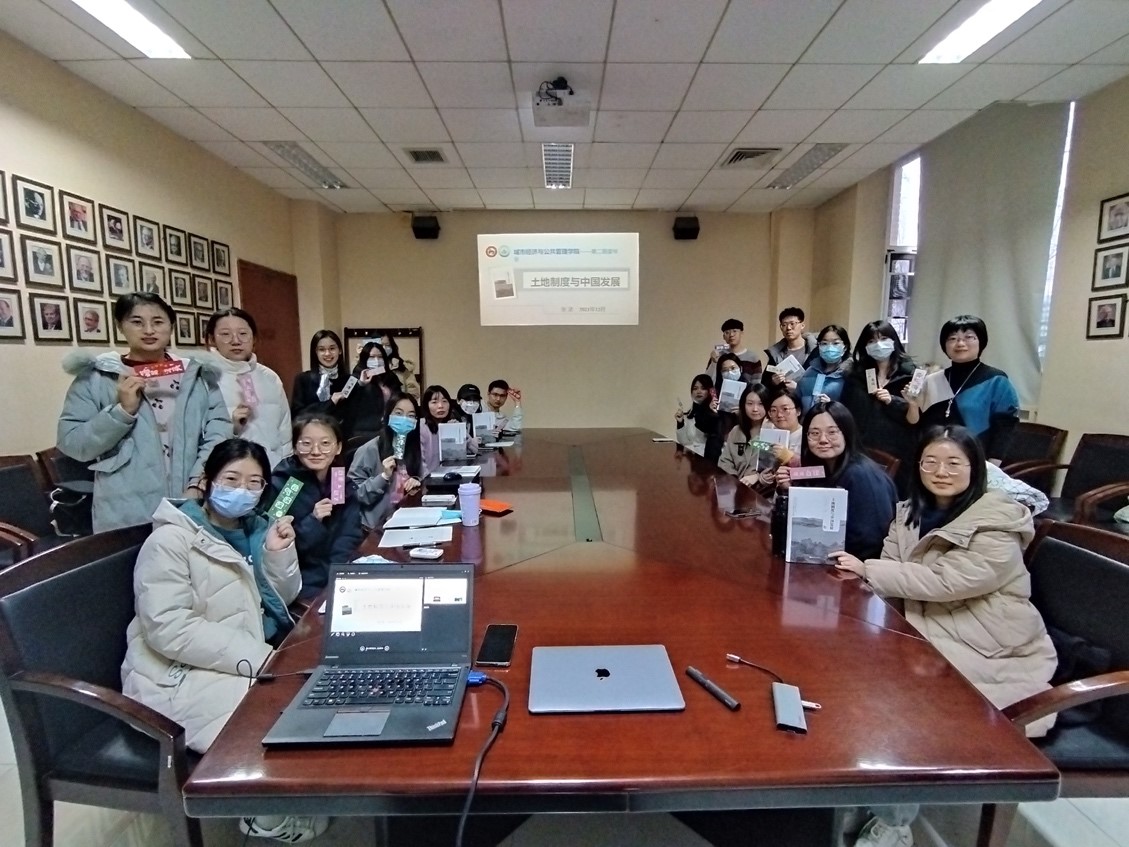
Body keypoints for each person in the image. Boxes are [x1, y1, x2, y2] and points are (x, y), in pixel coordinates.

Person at [832, 426, 1056, 847]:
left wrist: (868, 570)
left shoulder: (997, 521)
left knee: (903, 706)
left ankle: (895, 821)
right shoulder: (910, 511)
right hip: (922, 624)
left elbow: (948, 582)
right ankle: (863, 786)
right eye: (930, 462)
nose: (941, 471)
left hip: (984, 641)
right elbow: (894, 565)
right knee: (844, 673)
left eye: (954, 463)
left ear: (976, 468)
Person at [120, 439, 300, 751]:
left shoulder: (258, 529)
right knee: (273, 738)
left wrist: (277, 554)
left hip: (256, 655)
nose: (242, 490)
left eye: (254, 483)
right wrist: (262, 658)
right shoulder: (170, 540)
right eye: (231, 479)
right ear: (207, 481)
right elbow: (169, 627)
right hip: (184, 672)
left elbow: (282, 599)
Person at [57, 292, 231, 532]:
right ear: (120, 326)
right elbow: (72, 443)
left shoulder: (197, 375)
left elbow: (219, 433)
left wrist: (198, 483)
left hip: (191, 503)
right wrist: (122, 412)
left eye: (158, 322)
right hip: (124, 510)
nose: (149, 330)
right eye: (137, 322)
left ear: (171, 326)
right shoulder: (97, 377)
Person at [777, 401, 897, 560]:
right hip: (822, 556)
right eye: (814, 433)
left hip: (855, 565)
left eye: (832, 432)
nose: (823, 440)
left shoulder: (860, 475)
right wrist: (788, 490)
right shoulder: (822, 466)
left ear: (847, 433)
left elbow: (871, 541)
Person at [269, 413, 363, 599]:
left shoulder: (337, 479)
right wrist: (313, 520)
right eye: (306, 443)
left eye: (325, 443)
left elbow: (349, 532)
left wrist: (338, 573)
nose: (316, 451)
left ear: (338, 447)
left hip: (335, 572)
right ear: (295, 447)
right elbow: (276, 546)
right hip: (300, 580)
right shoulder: (287, 486)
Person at [904, 315, 1019, 464]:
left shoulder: (996, 380)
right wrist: (912, 405)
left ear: (981, 342)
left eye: (969, 337)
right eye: (952, 338)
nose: (960, 343)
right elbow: (915, 424)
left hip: (975, 459)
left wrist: (992, 465)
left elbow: (1005, 427)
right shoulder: (932, 380)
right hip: (932, 458)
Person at [205, 308, 292, 469]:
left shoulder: (270, 377)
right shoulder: (204, 379)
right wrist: (231, 427)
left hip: (272, 471)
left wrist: (286, 472)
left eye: (243, 334)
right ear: (212, 339)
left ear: (254, 338)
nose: (236, 341)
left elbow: (285, 432)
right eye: (225, 334)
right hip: (229, 472)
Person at [840, 320, 916, 496]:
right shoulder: (856, 375)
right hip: (861, 451)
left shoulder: (910, 375)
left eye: (883, 339)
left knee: (892, 498)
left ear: (894, 341)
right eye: (871, 341)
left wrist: (893, 401)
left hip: (898, 453)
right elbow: (846, 411)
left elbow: (916, 418)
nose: (878, 345)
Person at [348, 394, 424, 531]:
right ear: (388, 415)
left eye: (411, 416)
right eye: (399, 413)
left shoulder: (413, 447)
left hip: (406, 520)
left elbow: (422, 475)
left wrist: (416, 480)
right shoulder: (369, 450)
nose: (404, 419)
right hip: (375, 528)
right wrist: (383, 477)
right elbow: (355, 494)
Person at [290, 330, 353, 431]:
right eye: (321, 349)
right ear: (315, 352)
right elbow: (298, 415)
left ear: (340, 350)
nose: (327, 353)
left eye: (332, 348)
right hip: (312, 434)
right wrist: (331, 402)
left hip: (342, 436)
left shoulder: (349, 380)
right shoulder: (303, 379)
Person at [718, 383, 776, 490]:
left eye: (761, 404)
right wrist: (735, 480)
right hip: (735, 488)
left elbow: (774, 466)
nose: (755, 409)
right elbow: (725, 461)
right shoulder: (736, 430)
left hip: (763, 492)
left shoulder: (774, 432)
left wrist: (757, 476)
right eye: (750, 403)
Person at [420, 384, 479, 471]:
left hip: (451, 473)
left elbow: (475, 450)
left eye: (444, 401)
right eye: (434, 402)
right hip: (430, 477)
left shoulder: (450, 424)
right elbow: (420, 464)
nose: (440, 406)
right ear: (426, 406)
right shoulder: (421, 427)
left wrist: (461, 432)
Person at [795, 324, 851, 414]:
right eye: (824, 343)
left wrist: (832, 407)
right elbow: (797, 401)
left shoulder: (850, 374)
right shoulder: (810, 371)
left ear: (845, 347)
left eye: (835, 343)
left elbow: (855, 409)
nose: (829, 348)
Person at [675, 374, 720, 461]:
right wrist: (680, 423)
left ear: (710, 391)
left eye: (703, 388)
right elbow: (684, 442)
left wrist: (711, 413)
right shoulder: (691, 413)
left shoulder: (715, 412)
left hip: (709, 460)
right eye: (695, 389)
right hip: (692, 459)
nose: (699, 391)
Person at [764, 306, 818, 374]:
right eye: (784, 325)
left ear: (802, 325)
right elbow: (766, 379)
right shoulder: (776, 353)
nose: (788, 328)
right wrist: (773, 379)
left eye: (792, 324)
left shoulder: (816, 350)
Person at [764, 388, 804, 462]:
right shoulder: (767, 435)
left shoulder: (807, 436)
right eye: (773, 410)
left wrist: (789, 457)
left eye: (785, 409)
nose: (779, 415)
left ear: (798, 411)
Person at [380, 333, 421, 400]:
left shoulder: (402, 366)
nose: (384, 348)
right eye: (381, 345)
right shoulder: (369, 368)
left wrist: (403, 402)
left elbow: (413, 392)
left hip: (399, 404)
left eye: (387, 345)